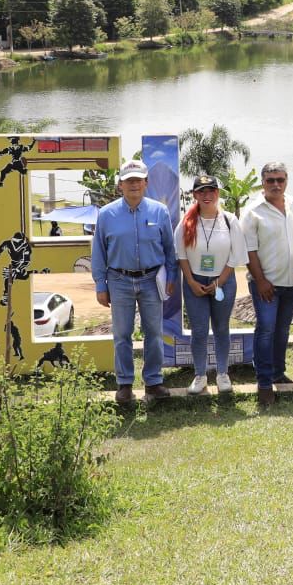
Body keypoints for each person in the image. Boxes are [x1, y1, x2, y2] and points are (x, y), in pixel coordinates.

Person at [91, 159, 179, 404]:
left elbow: (169, 248)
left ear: (146, 183)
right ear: (120, 184)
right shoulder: (107, 214)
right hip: (119, 280)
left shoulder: (159, 212)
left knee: (154, 333)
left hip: (152, 280)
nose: (134, 185)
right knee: (122, 334)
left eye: (138, 180)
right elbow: (98, 252)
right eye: (128, 180)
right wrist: (100, 285)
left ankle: (153, 381)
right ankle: (125, 384)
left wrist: (172, 276)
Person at [175, 175, 247, 396]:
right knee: (198, 331)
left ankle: (222, 374)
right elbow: (181, 254)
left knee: (221, 328)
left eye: (211, 191)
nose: (206, 195)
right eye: (201, 191)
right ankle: (200, 375)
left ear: (217, 193)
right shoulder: (186, 221)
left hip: (223, 281)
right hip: (194, 281)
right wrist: (190, 281)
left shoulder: (229, 220)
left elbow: (236, 255)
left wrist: (219, 281)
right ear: (194, 195)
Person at [242, 161, 293, 406]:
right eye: (271, 180)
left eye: (280, 180)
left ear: (286, 180)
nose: (276, 185)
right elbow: (249, 250)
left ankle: (278, 372)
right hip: (266, 285)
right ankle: (264, 383)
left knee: (282, 330)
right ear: (263, 182)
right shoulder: (252, 211)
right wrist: (260, 280)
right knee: (266, 330)